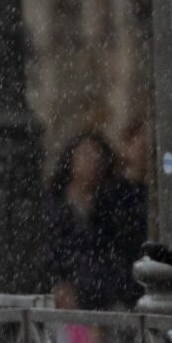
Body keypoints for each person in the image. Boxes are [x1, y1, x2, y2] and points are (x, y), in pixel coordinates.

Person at [45, 128, 145, 314]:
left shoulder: (113, 203)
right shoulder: (55, 207)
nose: (93, 161)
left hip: (111, 297)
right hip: (75, 301)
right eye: (86, 154)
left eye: (98, 155)